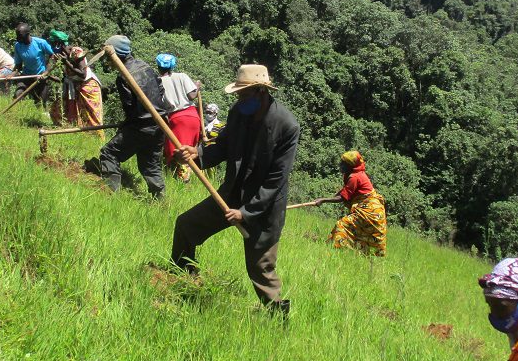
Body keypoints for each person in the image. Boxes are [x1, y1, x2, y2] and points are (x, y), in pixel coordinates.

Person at [172, 64, 299, 316]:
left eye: (244, 94)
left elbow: (276, 180)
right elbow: (222, 147)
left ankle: (276, 317)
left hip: (263, 207)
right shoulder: (238, 113)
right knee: (186, 225)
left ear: (261, 91)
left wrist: (247, 212)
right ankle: (182, 277)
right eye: (239, 95)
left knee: (261, 266)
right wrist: (196, 154)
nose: (240, 100)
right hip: (230, 194)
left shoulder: (287, 126)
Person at [98, 35, 170, 198]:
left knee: (109, 153)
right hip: (160, 124)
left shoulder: (124, 76)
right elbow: (161, 90)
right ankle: (160, 201)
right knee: (150, 164)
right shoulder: (145, 66)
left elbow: (129, 106)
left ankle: (110, 194)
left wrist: (127, 125)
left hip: (141, 125)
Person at [316, 150, 387, 257]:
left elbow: (343, 197)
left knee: (342, 225)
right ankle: (352, 252)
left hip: (369, 211)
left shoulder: (354, 177)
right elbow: (345, 191)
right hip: (374, 210)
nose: (340, 165)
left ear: (350, 166)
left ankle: (335, 249)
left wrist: (323, 200)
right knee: (357, 230)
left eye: (343, 163)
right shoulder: (356, 173)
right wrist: (326, 198)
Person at [156, 53, 201, 181]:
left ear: (158, 66)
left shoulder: (158, 81)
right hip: (192, 116)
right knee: (188, 150)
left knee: (178, 151)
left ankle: (182, 179)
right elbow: (192, 96)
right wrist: (197, 86)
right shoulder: (182, 76)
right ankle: (181, 178)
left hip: (176, 118)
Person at [59, 44, 104, 137]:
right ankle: (83, 135)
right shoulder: (62, 54)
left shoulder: (77, 52)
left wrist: (67, 63)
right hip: (77, 87)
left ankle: (98, 137)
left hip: (89, 88)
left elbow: (83, 74)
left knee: (93, 114)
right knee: (81, 114)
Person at [10, 23, 55, 108]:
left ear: (27, 34)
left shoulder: (40, 43)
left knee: (41, 104)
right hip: (26, 76)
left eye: (20, 36)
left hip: (40, 76)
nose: (17, 38)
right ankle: (15, 116)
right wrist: (12, 74)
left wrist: (46, 71)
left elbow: (52, 56)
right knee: (18, 95)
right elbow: (18, 65)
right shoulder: (18, 46)